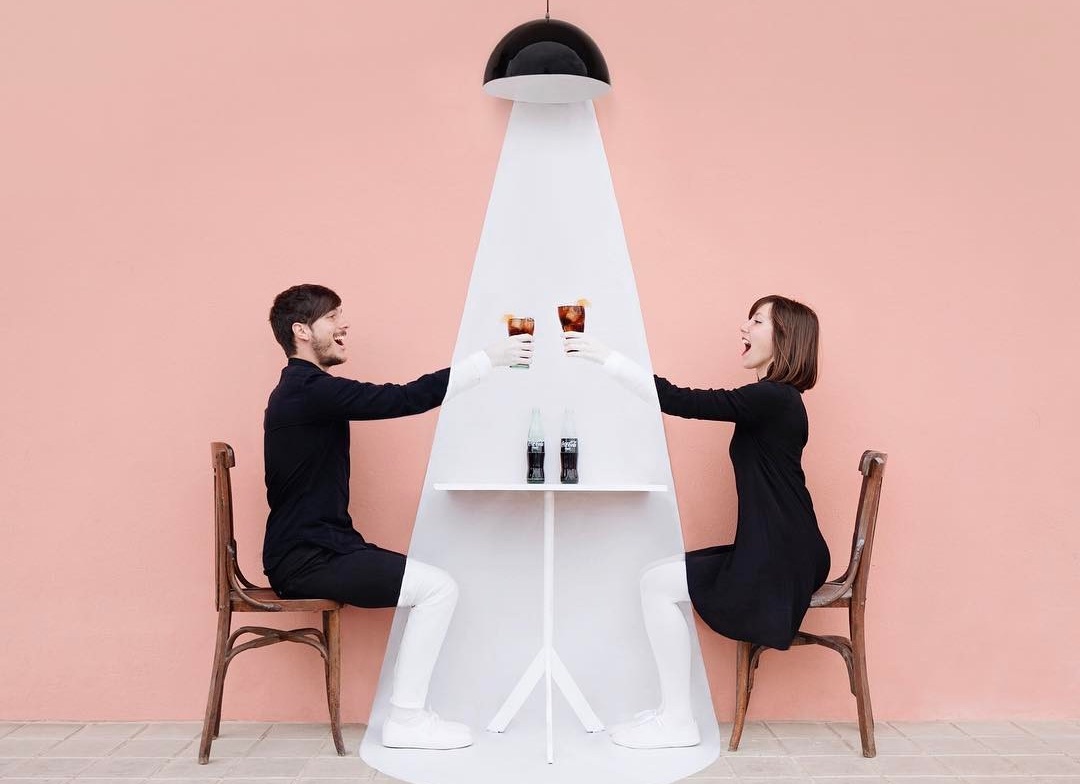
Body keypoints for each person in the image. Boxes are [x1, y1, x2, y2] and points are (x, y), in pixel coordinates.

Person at [263, 283, 531, 751]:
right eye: (333, 317)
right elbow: (402, 398)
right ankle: (406, 720)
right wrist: (487, 361)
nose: (344, 326)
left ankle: (409, 717)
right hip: (308, 558)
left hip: (318, 549)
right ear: (302, 331)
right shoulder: (307, 391)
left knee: (435, 586)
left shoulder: (303, 391)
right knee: (438, 589)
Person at [564, 295, 830, 750]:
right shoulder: (776, 400)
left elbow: (680, 400)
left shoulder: (773, 398)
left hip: (782, 554)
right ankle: (673, 714)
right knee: (656, 579)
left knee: (656, 585)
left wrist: (607, 358)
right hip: (781, 545)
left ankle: (677, 721)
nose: (744, 328)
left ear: (785, 336)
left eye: (757, 320)